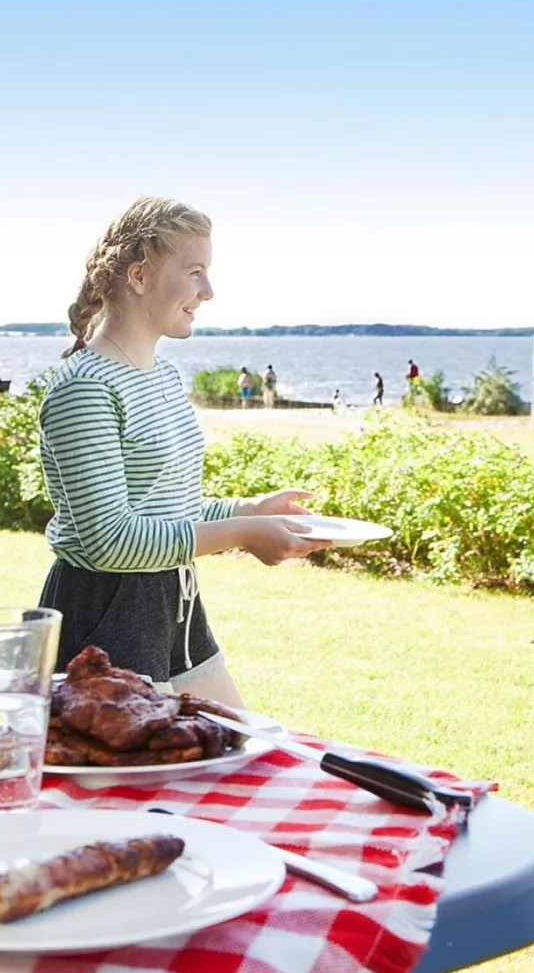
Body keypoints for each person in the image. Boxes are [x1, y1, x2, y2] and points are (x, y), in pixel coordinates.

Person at [38, 196, 330, 708]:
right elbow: (111, 542)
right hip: (106, 616)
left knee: (236, 752)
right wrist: (240, 534)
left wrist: (247, 509)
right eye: (195, 272)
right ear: (139, 276)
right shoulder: (84, 388)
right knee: (128, 784)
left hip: (174, 602)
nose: (208, 291)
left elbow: (168, 509)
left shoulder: (164, 378)